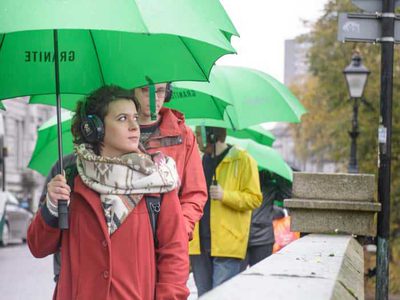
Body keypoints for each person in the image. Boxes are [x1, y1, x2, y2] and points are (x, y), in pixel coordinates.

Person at [28, 85, 189, 300]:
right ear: (94, 128)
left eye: (135, 117)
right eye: (122, 118)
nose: (134, 126)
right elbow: (38, 247)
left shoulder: (159, 180)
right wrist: (51, 207)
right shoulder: (71, 177)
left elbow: (174, 254)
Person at [189, 126, 263, 296]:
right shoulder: (196, 161)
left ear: (212, 135)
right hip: (198, 245)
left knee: (221, 296)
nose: (196, 137)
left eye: (199, 134)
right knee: (204, 295)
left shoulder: (242, 160)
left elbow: (255, 198)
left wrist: (225, 195)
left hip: (227, 244)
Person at [240, 170, 289, 271]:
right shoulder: (238, 184)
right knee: (234, 279)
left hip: (262, 239)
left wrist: (278, 176)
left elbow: (288, 196)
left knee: (260, 275)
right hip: (241, 237)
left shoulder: (270, 185)